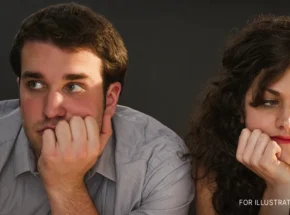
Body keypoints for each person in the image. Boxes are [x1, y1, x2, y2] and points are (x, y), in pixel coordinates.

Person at [0, 2, 193, 215]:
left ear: (110, 99)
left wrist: (65, 186)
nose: (51, 110)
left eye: (73, 87)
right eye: (35, 84)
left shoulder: (159, 162)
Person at [186, 15, 290, 215]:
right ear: (238, 107)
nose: (287, 122)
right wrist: (278, 188)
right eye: (269, 102)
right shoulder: (213, 173)